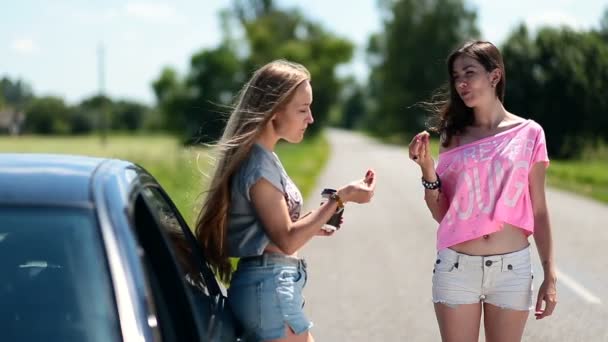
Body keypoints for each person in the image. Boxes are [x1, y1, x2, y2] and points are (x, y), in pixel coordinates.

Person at [195, 59, 376, 342]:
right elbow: (287, 239)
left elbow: (276, 230)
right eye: (303, 109)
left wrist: (314, 222)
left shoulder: (264, 158)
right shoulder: (258, 167)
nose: (311, 118)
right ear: (273, 113)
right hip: (268, 288)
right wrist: (342, 198)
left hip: (271, 286)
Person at [408, 41, 557, 342]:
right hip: (457, 268)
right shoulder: (453, 134)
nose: (461, 82)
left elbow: (539, 210)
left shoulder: (530, 133)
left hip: (512, 270)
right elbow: (443, 213)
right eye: (455, 76)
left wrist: (549, 274)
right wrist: (426, 169)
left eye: (469, 72)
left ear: (494, 76)